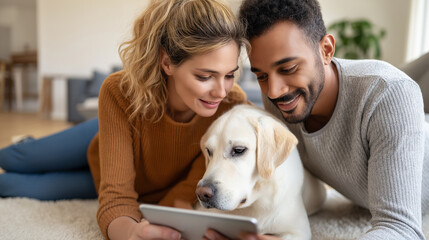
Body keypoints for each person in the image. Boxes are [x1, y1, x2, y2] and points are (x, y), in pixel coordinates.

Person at [0, 0, 249, 239]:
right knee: (13, 158)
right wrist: (127, 232)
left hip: (127, 181)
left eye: (229, 75)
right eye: (205, 76)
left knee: (9, 186)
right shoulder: (119, 91)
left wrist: (139, 228)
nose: (221, 91)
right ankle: (27, 142)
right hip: (107, 143)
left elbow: (168, 199)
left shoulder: (232, 105)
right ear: (167, 62)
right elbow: (116, 199)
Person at [204, 0, 429, 239]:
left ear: (326, 50)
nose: (274, 90)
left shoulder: (388, 94)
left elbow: (400, 227)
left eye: (288, 68)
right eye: (261, 75)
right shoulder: (280, 99)